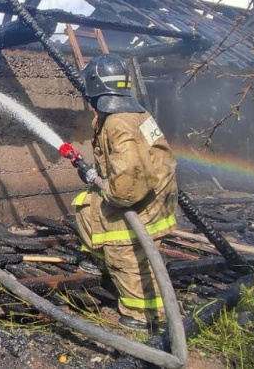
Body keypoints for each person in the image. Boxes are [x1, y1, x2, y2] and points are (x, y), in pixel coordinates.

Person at [71, 53, 178, 330]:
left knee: (124, 252)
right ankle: (99, 260)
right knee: (85, 206)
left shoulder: (117, 123)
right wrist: (99, 180)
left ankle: (143, 315)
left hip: (140, 202)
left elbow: (127, 184)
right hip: (155, 195)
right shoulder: (135, 113)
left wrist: (108, 188)